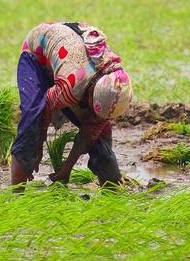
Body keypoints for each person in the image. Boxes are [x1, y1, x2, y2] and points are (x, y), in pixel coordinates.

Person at [11, 22, 133, 188]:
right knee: (33, 116)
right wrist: (38, 147)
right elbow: (47, 106)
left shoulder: (115, 82)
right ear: (90, 94)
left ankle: (110, 187)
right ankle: (16, 195)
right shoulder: (70, 88)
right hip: (37, 55)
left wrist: (66, 169)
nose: (94, 117)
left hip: (68, 60)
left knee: (100, 131)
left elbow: (90, 132)